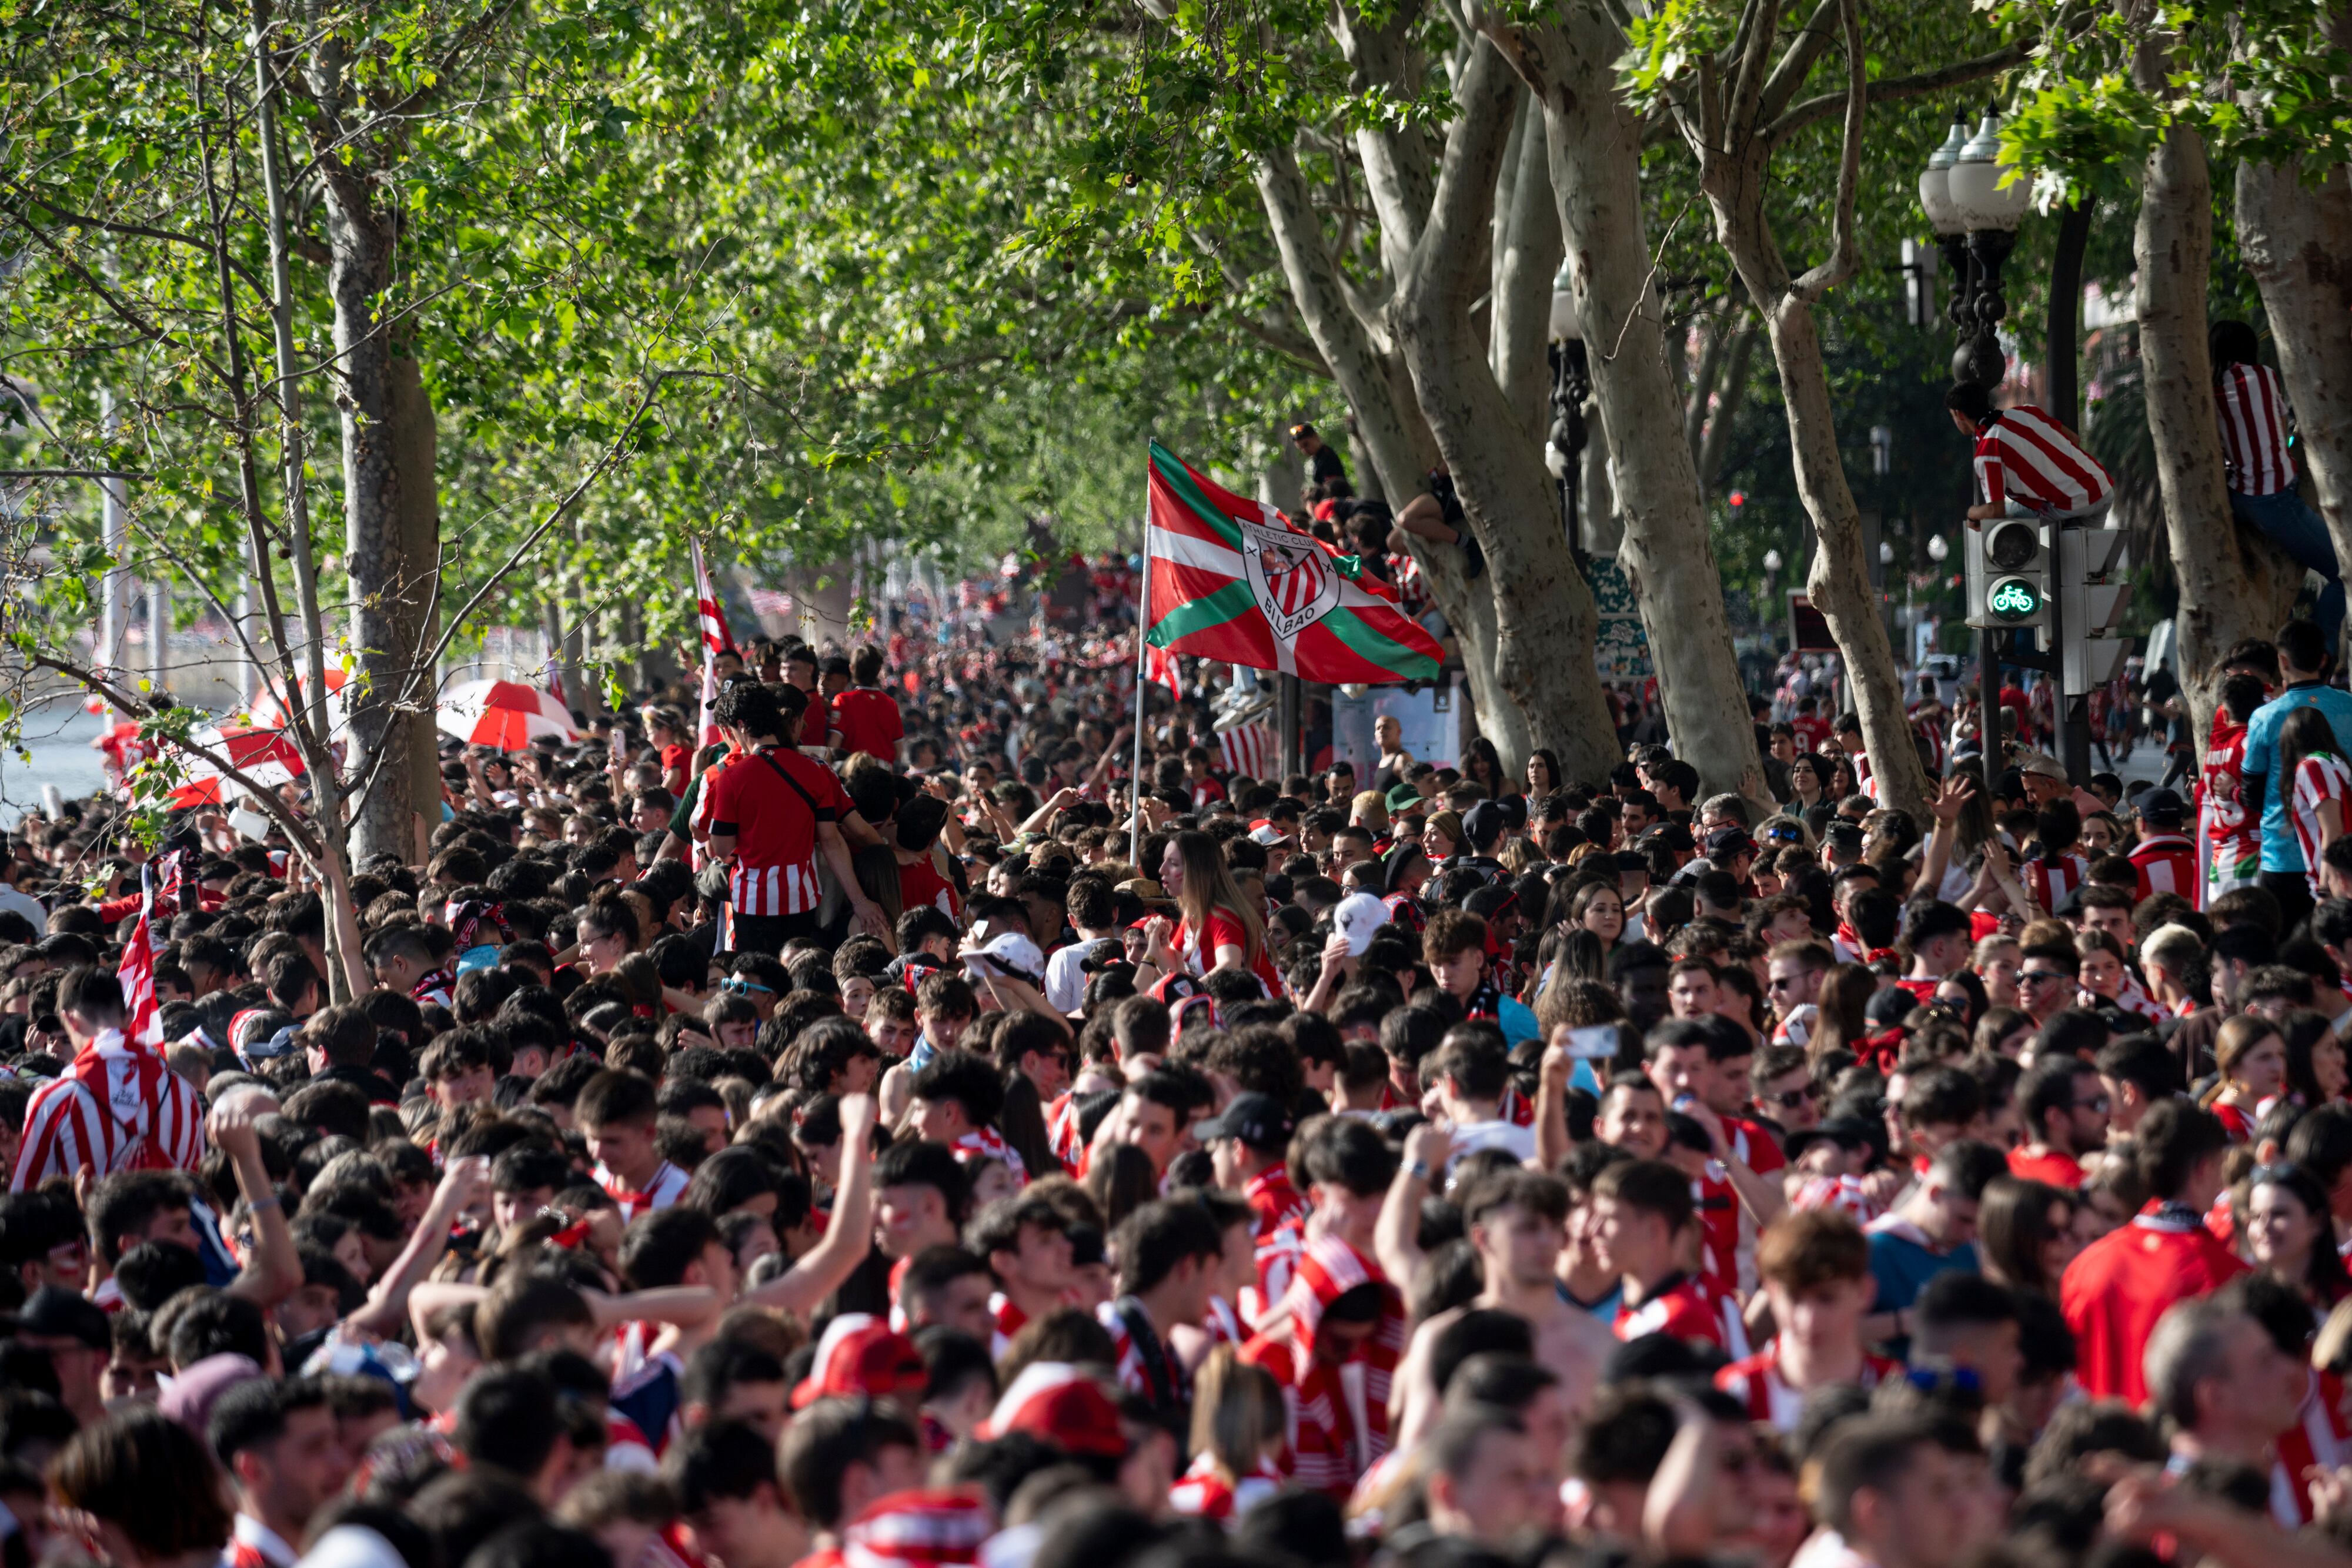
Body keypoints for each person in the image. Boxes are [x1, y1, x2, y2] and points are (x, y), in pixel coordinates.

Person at [2060, 1100, 2247, 1403]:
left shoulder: (2087, 1263)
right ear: (2204, 1168)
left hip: (2093, 1441)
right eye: (2220, 1165)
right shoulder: (2222, 1274)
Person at [11, 968, 206, 1190]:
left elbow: (26, 1197)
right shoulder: (184, 1094)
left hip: (86, 1223)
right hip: (172, 1222)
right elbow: (198, 1189)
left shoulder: (55, 1101)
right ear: (129, 1017)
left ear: (69, 1020)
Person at [2211, 320, 2342, 650]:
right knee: (2345, 570)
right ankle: (2319, 651)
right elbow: (2281, 431)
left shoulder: (2208, 390)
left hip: (2236, 493)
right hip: (2275, 501)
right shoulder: (2265, 377)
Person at [1715, 1210, 1897, 1430]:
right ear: (1772, 1293)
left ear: (1864, 1293)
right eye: (1794, 1298)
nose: (1809, 1320)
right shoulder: (1737, 1392)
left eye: (1826, 1298)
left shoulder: (1897, 1391)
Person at [2240, 619, 2352, 931]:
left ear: (2283, 662)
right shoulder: (2350, 706)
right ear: (2324, 660)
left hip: (2284, 853)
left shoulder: (2265, 716)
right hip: (2345, 859)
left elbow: (2251, 790)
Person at [1948, 381, 2113, 523]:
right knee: (2089, 558)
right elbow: (2074, 439)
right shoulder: (2026, 411)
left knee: (2007, 513)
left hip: (2074, 503)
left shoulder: (1987, 451)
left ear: (1958, 414)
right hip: (2102, 486)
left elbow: (1995, 511)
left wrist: (1972, 513)